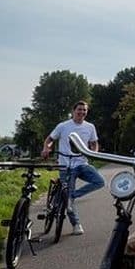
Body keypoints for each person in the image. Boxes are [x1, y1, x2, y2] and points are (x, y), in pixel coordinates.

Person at [41, 100, 105, 235]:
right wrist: (46, 148)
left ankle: (71, 196)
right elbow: (49, 140)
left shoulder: (90, 127)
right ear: (73, 111)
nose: (82, 112)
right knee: (67, 194)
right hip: (65, 165)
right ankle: (76, 224)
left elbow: (94, 143)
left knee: (99, 181)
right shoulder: (63, 126)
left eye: (84, 110)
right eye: (79, 109)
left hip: (82, 163)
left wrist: (94, 152)